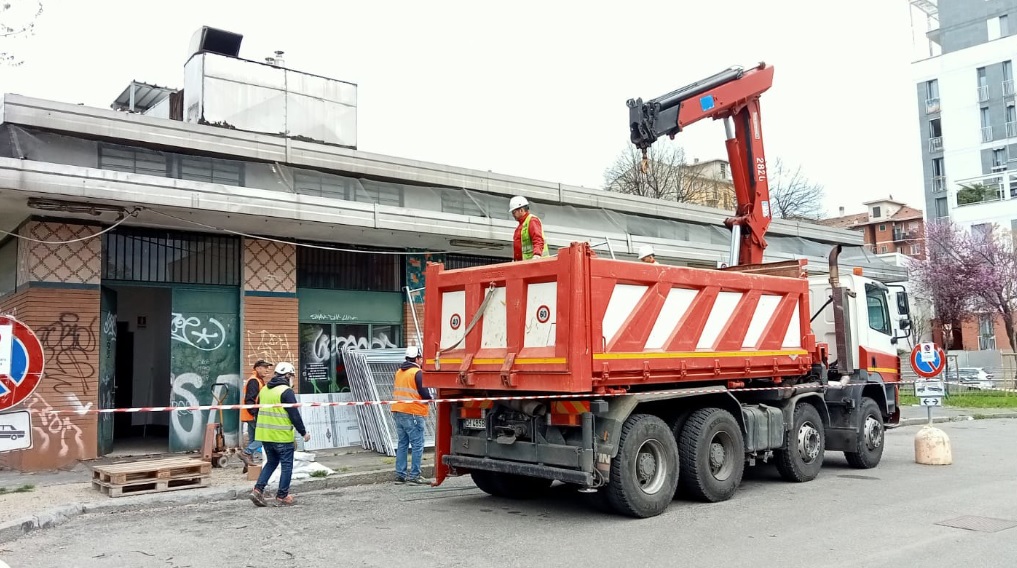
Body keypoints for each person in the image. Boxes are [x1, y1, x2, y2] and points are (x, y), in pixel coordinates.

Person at [249, 362, 310, 507]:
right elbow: (294, 414)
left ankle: (258, 490)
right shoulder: (286, 391)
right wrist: (303, 432)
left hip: (265, 435)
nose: (292, 380)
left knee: (271, 462)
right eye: (292, 376)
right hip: (281, 436)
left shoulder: (264, 390)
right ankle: (282, 495)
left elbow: (257, 412)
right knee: (287, 465)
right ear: (288, 375)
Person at [392, 345, 433, 485]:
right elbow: (425, 394)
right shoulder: (417, 372)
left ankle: (400, 475)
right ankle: (415, 476)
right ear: (417, 358)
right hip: (413, 412)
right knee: (417, 444)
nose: (422, 360)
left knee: (402, 443)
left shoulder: (399, 372)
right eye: (421, 358)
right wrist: (431, 399)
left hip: (398, 410)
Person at [240, 359, 274, 467]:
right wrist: (255, 414)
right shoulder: (254, 381)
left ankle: (248, 465)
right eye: (265, 368)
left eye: (268, 368)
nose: (267, 370)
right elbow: (250, 399)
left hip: (250, 415)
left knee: (253, 439)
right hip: (253, 415)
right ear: (258, 368)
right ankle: (246, 453)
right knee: (264, 438)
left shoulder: (257, 380)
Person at [510, 196, 549, 261]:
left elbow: (538, 239)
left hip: (535, 265)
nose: (513, 215)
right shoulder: (521, 226)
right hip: (525, 265)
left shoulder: (532, 220)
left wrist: (537, 255)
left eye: (514, 212)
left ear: (521, 210)